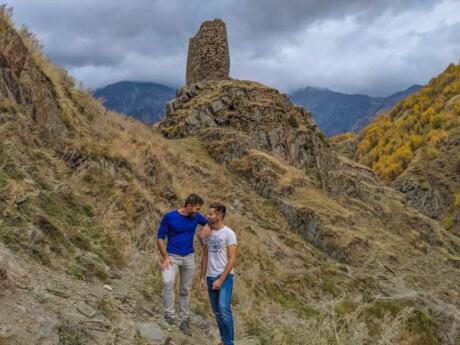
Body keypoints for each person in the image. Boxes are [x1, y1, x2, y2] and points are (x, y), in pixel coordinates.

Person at [157, 193, 211, 335]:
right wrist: (165, 256)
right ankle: (169, 314)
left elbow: (208, 222)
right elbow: (160, 238)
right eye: (197, 209)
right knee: (167, 282)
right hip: (172, 257)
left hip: (189, 257)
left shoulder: (196, 217)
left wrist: (207, 226)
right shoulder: (169, 217)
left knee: (185, 289)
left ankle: (184, 319)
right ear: (189, 206)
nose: (199, 212)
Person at [200, 203, 237, 345]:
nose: (207, 216)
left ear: (220, 216)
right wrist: (202, 278)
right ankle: (224, 340)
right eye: (208, 214)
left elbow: (232, 258)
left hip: (225, 276)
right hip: (210, 276)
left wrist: (221, 280)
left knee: (223, 308)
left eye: (211, 214)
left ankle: (229, 342)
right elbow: (205, 256)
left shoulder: (229, 233)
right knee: (217, 312)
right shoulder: (206, 233)